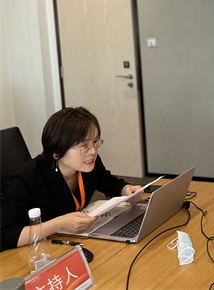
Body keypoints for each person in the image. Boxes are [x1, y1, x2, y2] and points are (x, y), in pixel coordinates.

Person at [0, 107, 142, 251]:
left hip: (68, 243)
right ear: (56, 152)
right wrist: (60, 223)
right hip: (32, 251)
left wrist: (126, 190)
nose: (93, 151)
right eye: (84, 145)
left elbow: (108, 182)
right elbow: (4, 236)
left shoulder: (88, 164)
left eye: (95, 141)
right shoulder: (26, 179)